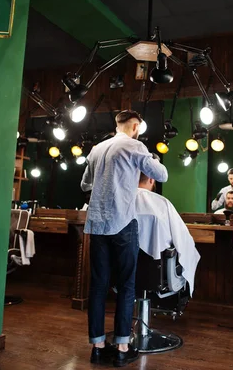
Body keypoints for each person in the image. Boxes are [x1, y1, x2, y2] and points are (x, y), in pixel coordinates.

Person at [80, 110, 168, 367]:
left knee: (98, 286)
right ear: (135, 126)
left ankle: (97, 347)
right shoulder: (135, 145)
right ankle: (121, 346)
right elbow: (161, 175)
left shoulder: (97, 149)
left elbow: (85, 184)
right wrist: (149, 158)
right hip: (122, 223)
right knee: (127, 285)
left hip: (96, 224)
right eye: (138, 127)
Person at [136, 163, 201, 295]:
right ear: (151, 179)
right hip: (156, 270)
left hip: (122, 268)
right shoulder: (162, 203)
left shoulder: (120, 200)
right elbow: (183, 239)